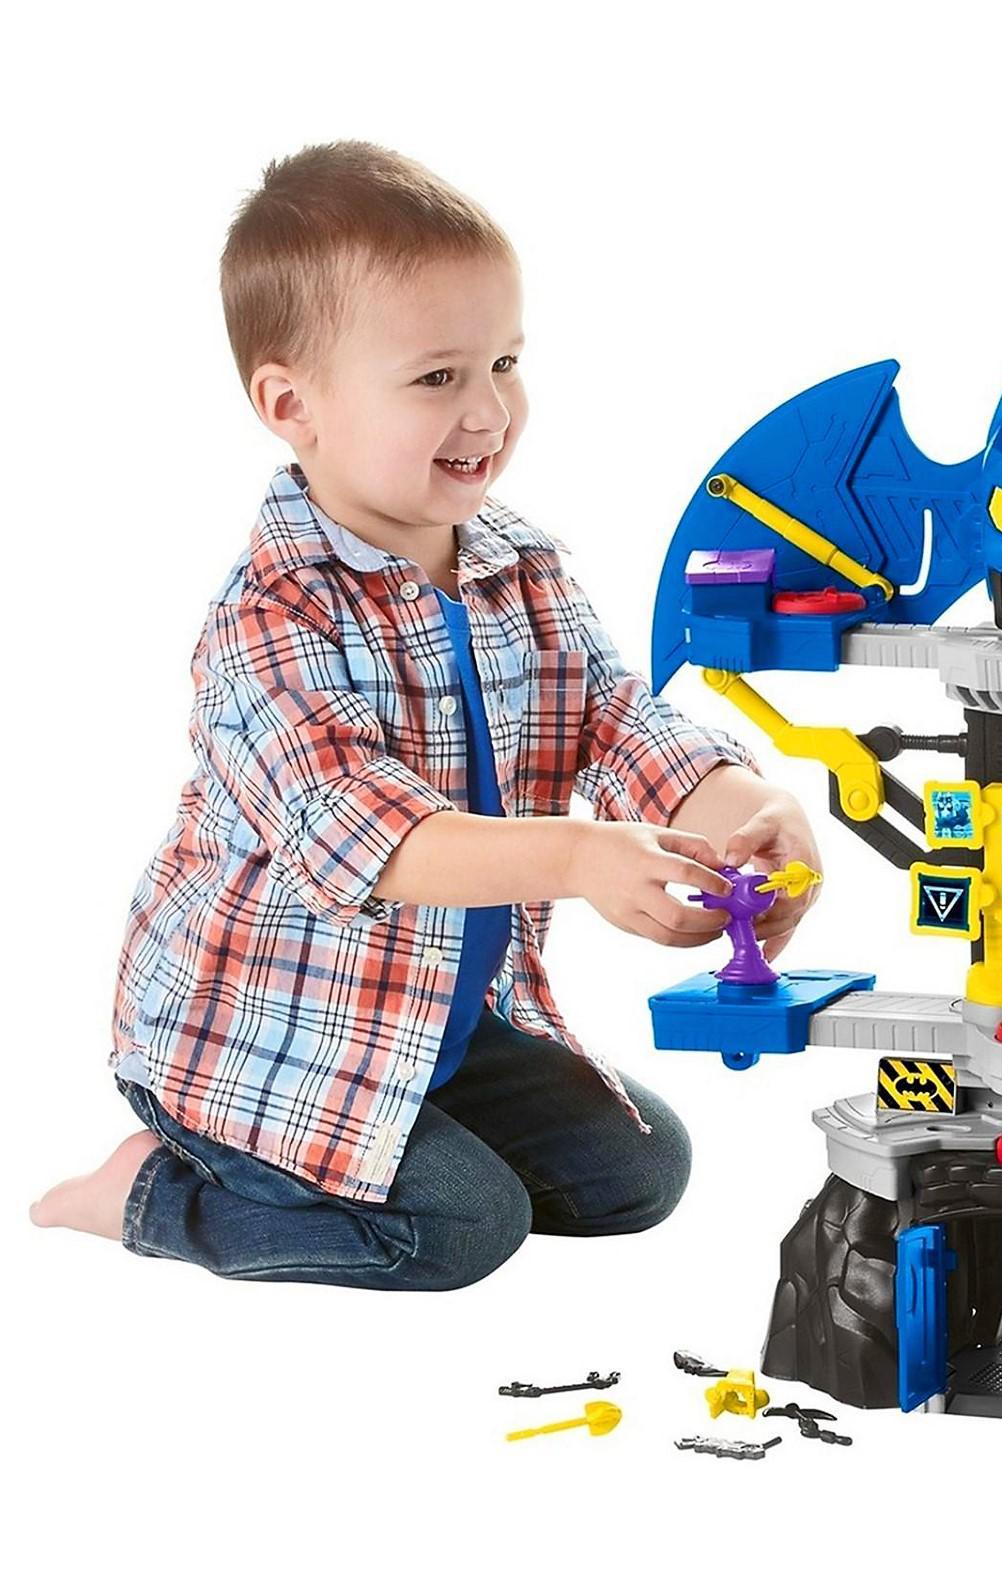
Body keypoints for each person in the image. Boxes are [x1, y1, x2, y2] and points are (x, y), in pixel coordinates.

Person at [30, 141, 819, 1289]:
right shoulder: (270, 617)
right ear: (292, 404)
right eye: (438, 377)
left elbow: (617, 724)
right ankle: (150, 1192)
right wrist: (579, 856)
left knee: (640, 1173)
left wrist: (747, 808)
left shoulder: (522, 568)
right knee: (461, 1229)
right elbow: (366, 837)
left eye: (505, 362)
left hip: (431, 1016)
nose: (489, 410)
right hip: (259, 1041)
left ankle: (407, 1138)